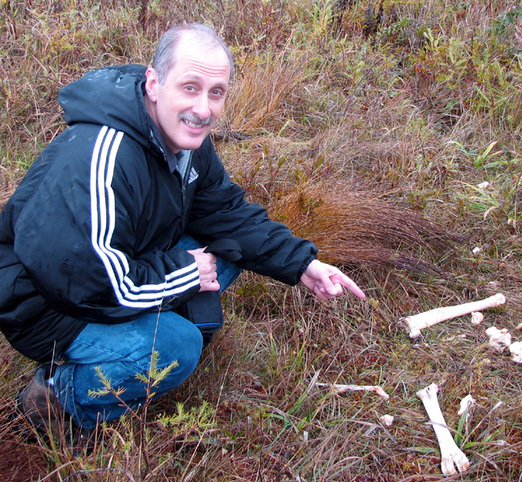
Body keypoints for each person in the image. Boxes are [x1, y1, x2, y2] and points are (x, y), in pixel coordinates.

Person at [0, 23, 365, 444]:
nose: (204, 109)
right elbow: (88, 281)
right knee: (175, 348)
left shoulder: (186, 141)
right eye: (190, 87)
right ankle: (56, 399)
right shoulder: (102, 157)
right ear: (154, 84)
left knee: (229, 249)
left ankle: (155, 320)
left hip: (123, 264)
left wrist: (303, 264)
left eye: (216, 92)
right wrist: (186, 275)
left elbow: (226, 212)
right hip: (48, 303)